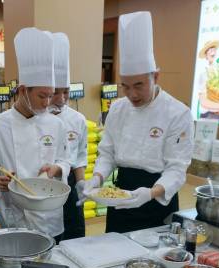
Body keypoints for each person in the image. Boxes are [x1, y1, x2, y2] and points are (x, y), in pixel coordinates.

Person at [82, 11, 194, 234]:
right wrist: (97, 178)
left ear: (156, 76)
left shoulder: (178, 113)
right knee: (115, 255)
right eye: (126, 86)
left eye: (139, 85)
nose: (132, 94)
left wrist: (150, 193)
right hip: (121, 196)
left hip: (157, 198)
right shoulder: (118, 109)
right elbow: (107, 153)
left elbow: (177, 169)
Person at [0, 28, 70, 242]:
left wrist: (57, 168)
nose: (47, 102)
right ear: (22, 90)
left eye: (50, 96)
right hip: (14, 214)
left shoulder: (56, 124)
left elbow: (65, 159)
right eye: (42, 96)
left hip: (49, 215)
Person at [49, 32, 87, 240]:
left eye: (66, 92)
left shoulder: (77, 119)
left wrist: (80, 183)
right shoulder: (37, 119)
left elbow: (79, 156)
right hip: (45, 182)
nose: (62, 98)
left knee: (75, 233)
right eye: (56, 92)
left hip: (70, 181)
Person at [196, 40, 219, 121]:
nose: (212, 51)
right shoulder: (203, 74)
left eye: (214, 49)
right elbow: (202, 100)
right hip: (207, 115)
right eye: (209, 50)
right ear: (206, 56)